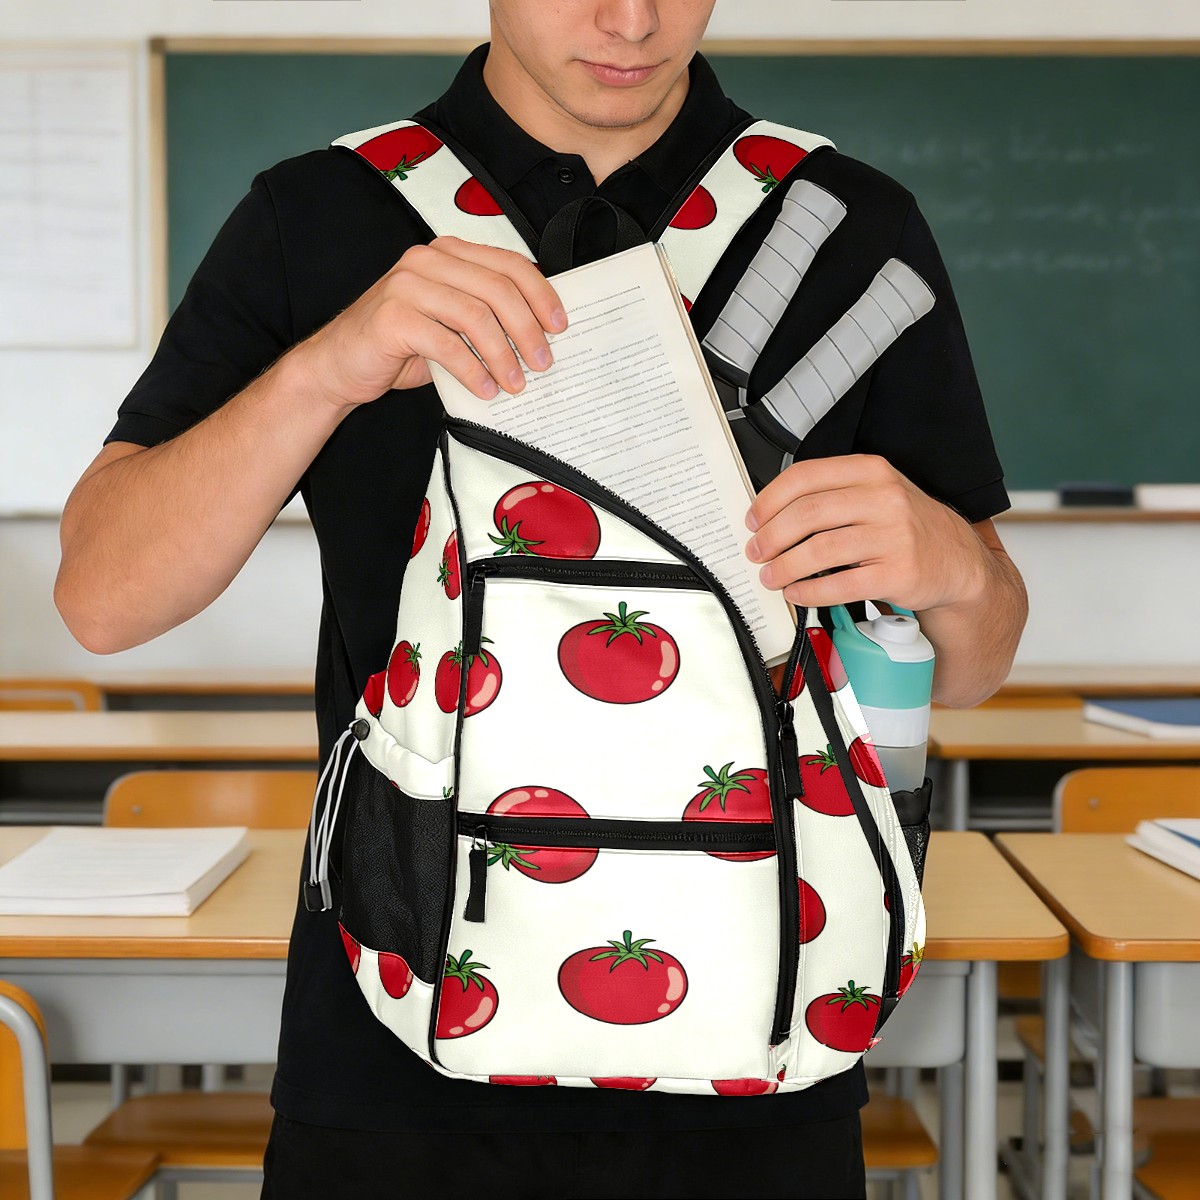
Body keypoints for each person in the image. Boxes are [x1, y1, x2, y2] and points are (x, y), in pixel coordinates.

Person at [56, 3, 1028, 1196]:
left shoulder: (848, 228)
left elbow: (978, 663)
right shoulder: (316, 217)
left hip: (763, 1038)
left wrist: (954, 563)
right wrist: (326, 369)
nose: (632, 18)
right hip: (397, 1051)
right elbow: (102, 599)